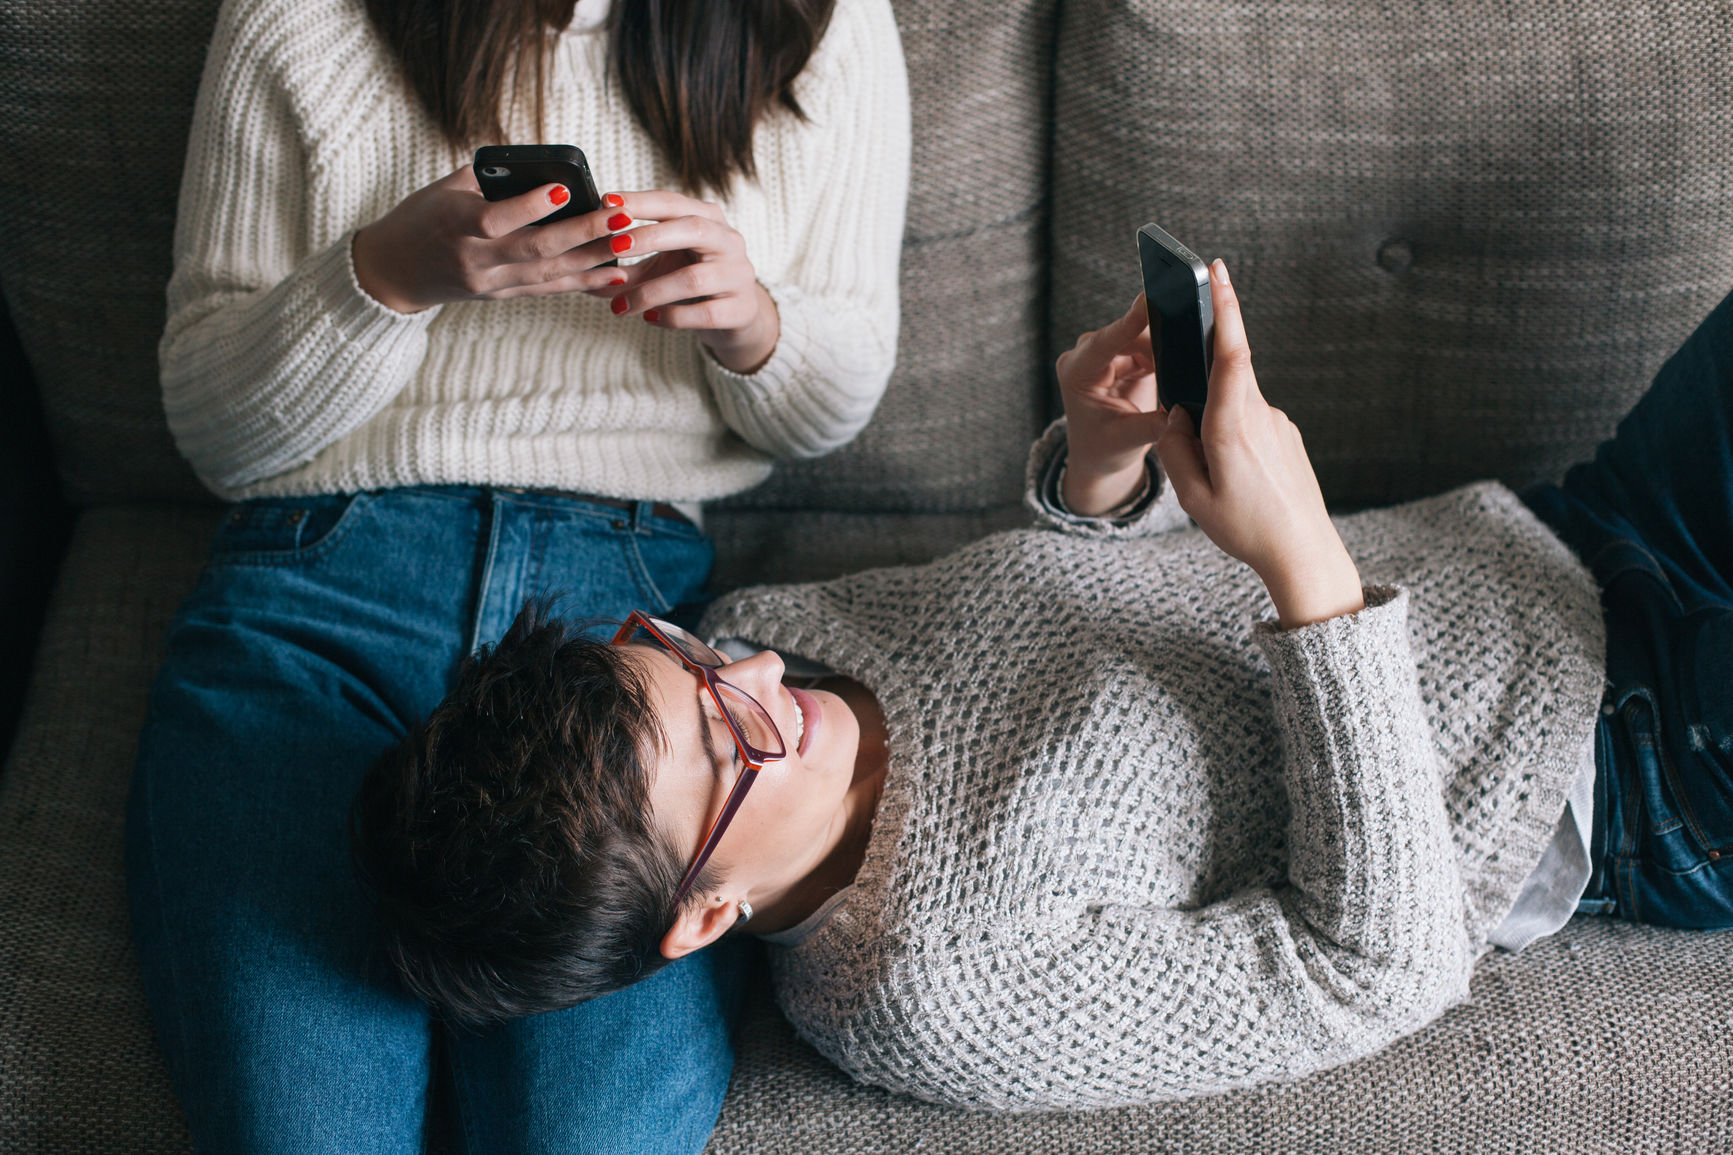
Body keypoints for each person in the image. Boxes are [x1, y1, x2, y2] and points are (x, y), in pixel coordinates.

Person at [353, 260, 1732, 1112]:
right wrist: (1303, 554)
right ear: (702, 916)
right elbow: (1373, 972)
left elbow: (1079, 604)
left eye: (689, 655)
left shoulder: (777, 626)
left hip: (1564, 534)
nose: (762, 670)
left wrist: (1100, 468)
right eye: (733, 729)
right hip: (1632, 772)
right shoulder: (935, 988)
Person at [125, 0, 909, 1147]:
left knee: (590, 1138)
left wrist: (755, 325)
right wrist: (385, 276)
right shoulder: (295, 20)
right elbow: (215, 431)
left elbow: (830, 406)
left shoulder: (823, 24)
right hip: (321, 592)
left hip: (624, 642)